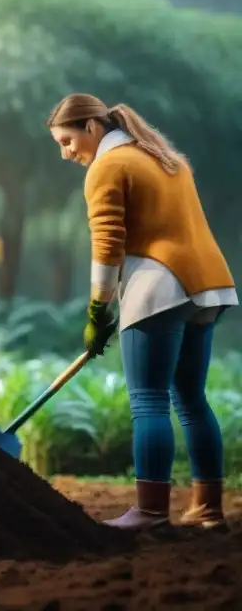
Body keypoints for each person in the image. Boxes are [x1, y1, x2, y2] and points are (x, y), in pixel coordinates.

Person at [47, 93, 236, 531]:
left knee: (148, 399)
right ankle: (208, 509)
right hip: (207, 285)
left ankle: (150, 512)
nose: (66, 153)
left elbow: (108, 245)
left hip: (159, 286)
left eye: (67, 141)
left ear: (91, 127)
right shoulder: (164, 158)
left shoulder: (107, 168)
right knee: (191, 399)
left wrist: (98, 309)